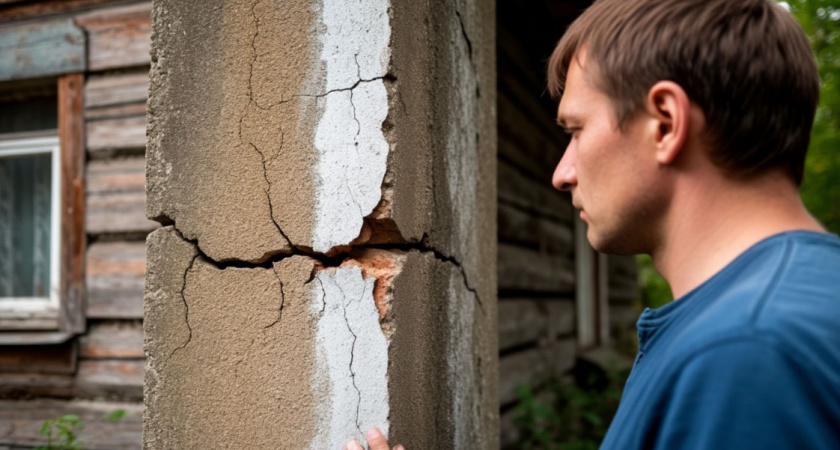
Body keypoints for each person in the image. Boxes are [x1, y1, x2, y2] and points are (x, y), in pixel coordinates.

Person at [348, 0, 840, 448]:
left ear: (665, 123)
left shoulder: (745, 353)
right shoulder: (781, 311)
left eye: (577, 130)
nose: (562, 174)